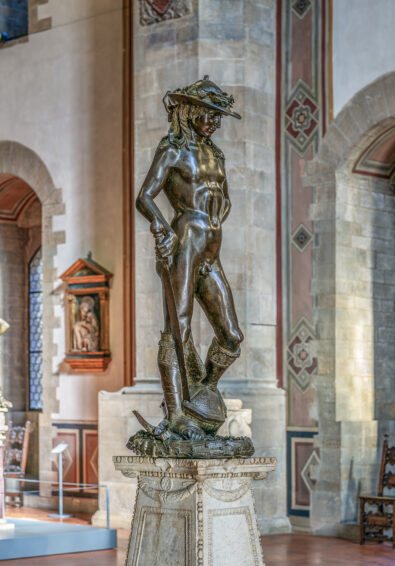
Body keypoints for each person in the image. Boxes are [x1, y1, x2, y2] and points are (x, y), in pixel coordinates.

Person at [135, 76, 243, 440]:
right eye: (207, 114)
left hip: (211, 247)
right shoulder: (172, 150)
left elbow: (224, 199)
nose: (213, 122)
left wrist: (215, 219)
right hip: (184, 241)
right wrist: (163, 229)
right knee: (177, 329)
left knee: (231, 335)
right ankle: (178, 413)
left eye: (217, 117)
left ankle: (205, 388)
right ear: (189, 112)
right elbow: (145, 196)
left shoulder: (216, 153)